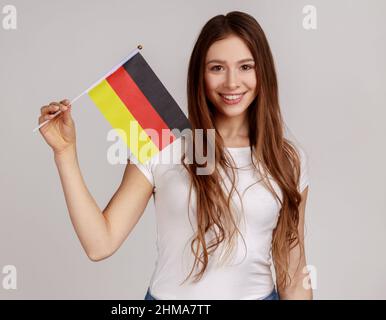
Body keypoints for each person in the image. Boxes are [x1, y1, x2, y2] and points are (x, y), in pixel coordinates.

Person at [37, 11, 312, 300]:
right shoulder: (163, 144)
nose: (232, 82)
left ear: (263, 72)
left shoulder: (287, 159)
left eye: (245, 66)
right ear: (200, 75)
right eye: (217, 68)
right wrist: (65, 153)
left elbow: (293, 270)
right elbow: (100, 243)